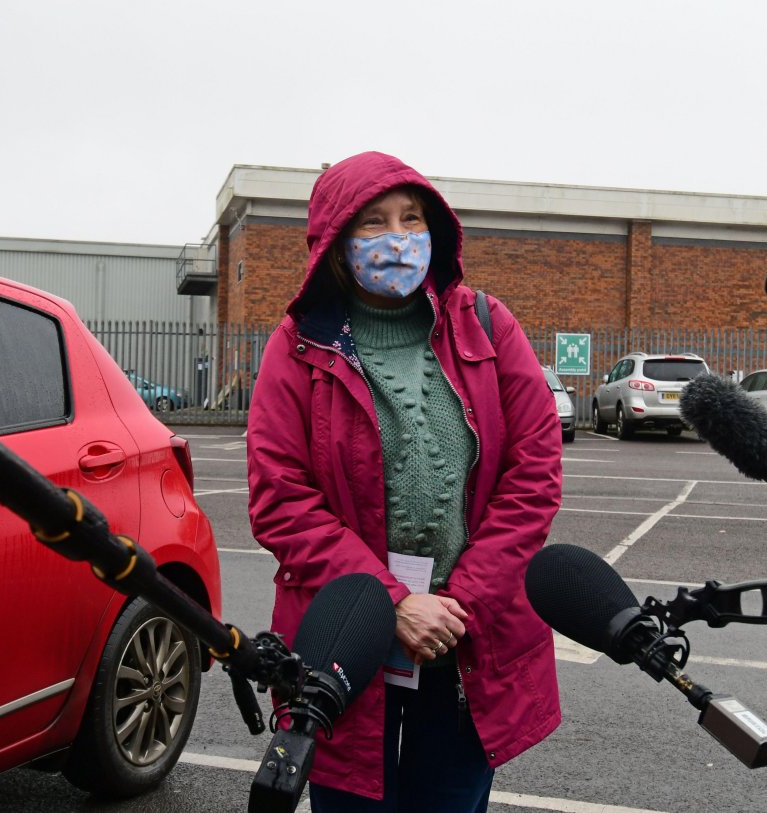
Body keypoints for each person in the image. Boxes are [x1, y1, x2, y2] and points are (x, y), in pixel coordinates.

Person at [246, 151, 563, 812]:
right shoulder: (296, 347)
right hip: (346, 640)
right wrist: (392, 603)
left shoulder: (488, 325)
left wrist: (458, 603)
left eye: (411, 218)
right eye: (373, 224)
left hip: (465, 636)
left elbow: (534, 473)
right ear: (334, 245)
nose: (397, 238)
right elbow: (281, 499)